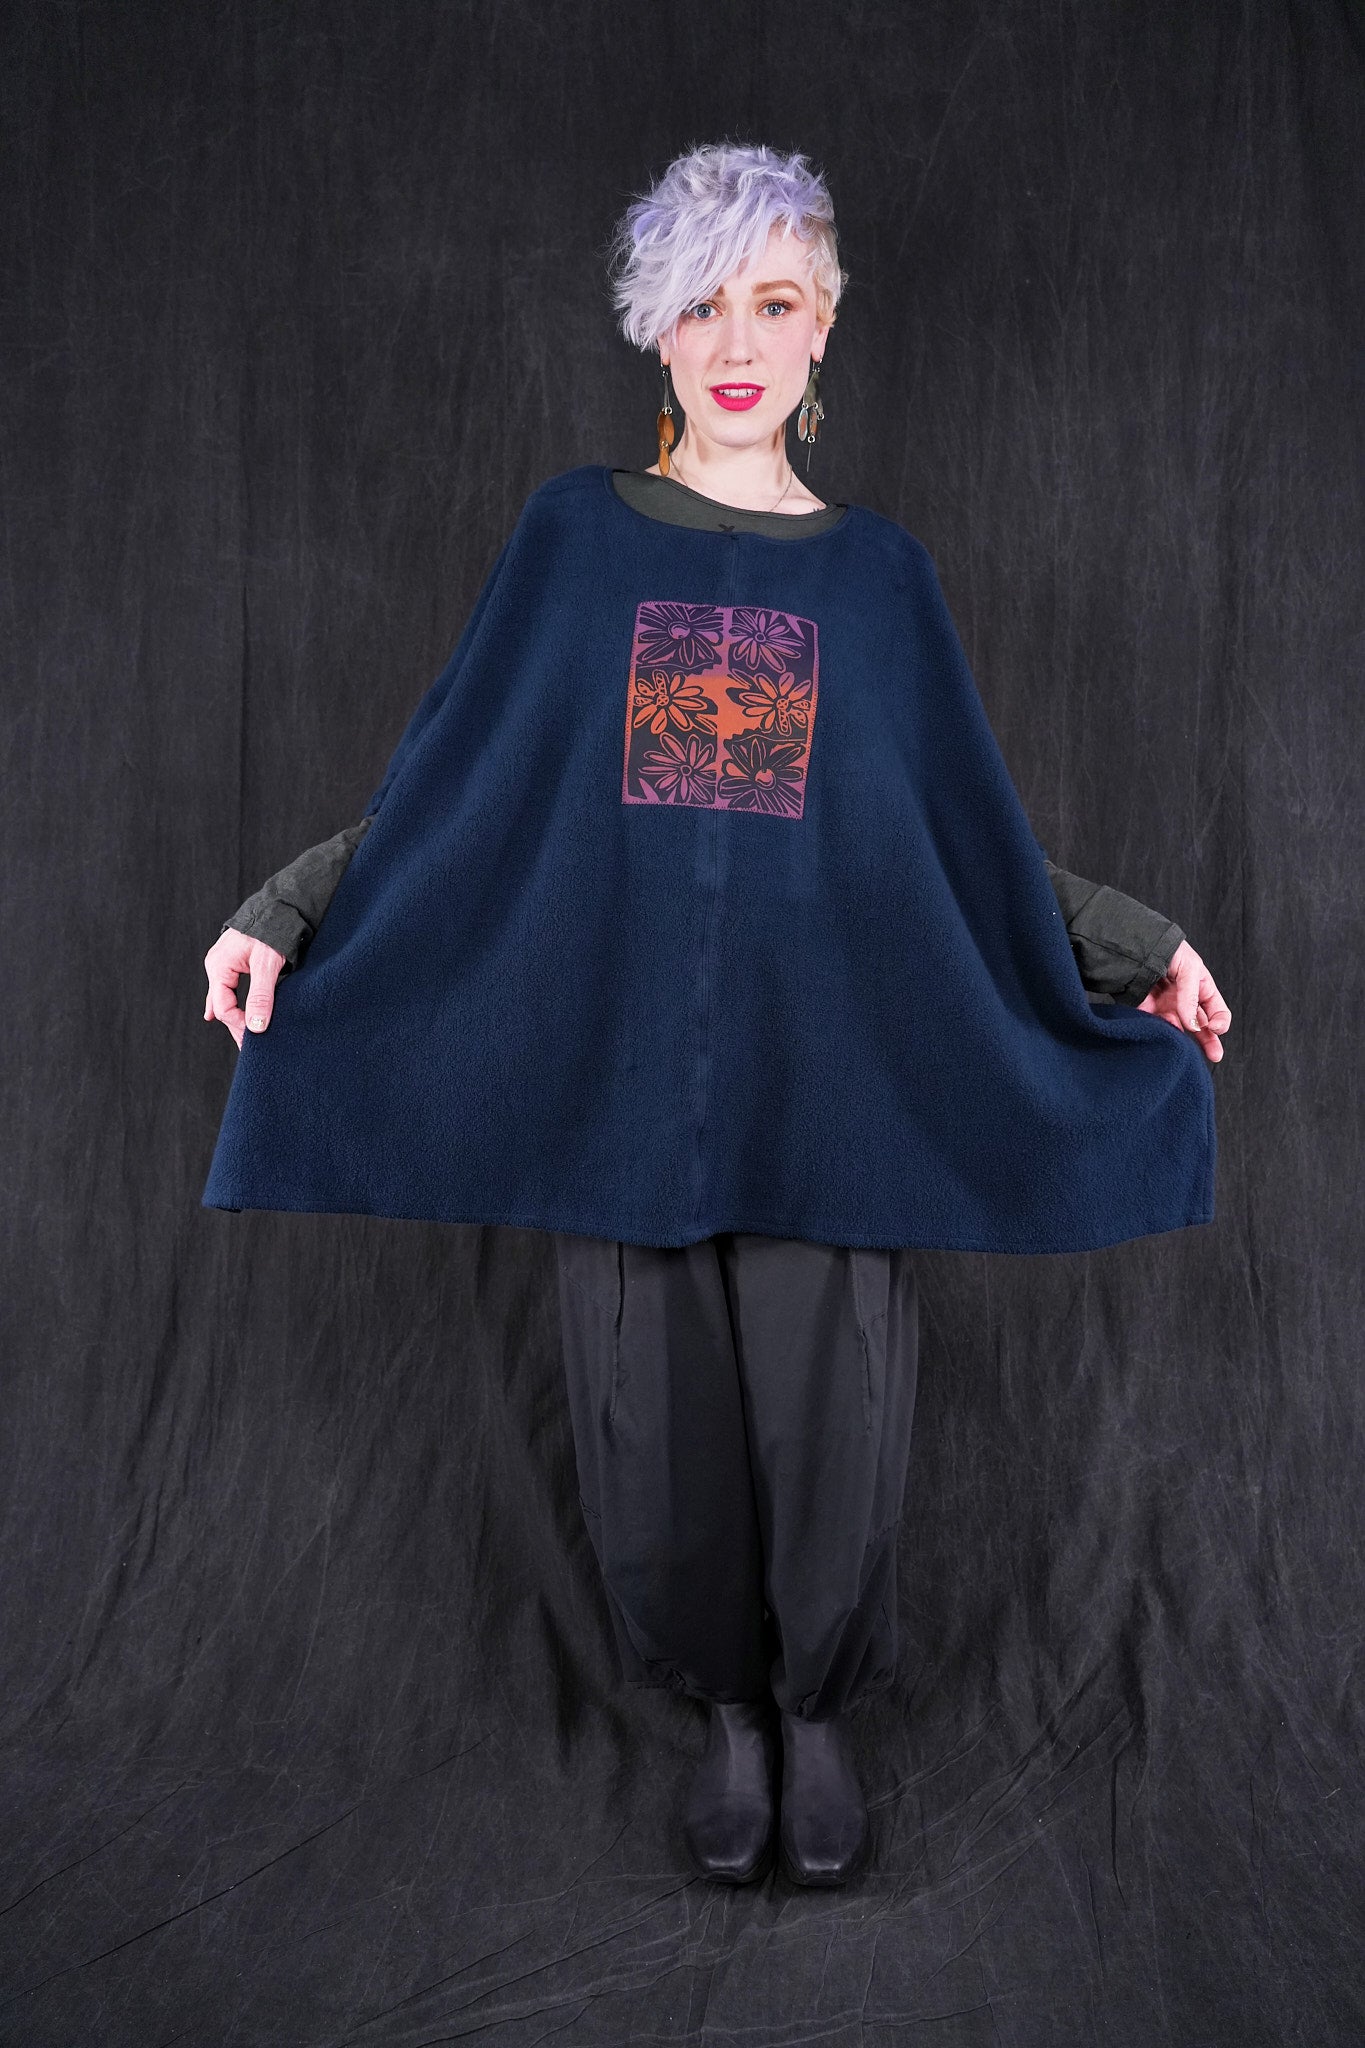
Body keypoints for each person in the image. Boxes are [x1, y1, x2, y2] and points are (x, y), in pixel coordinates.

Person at [202, 143, 1231, 1890]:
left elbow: (954, 844)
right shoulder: (573, 540)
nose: (735, 341)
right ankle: (729, 1721)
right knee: (647, 1425)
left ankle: (814, 1715)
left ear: (824, 327)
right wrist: (281, 909)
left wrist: (1138, 948)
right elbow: (463, 796)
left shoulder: (882, 581)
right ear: (654, 334)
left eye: (772, 302)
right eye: (700, 306)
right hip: (617, 1075)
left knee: (834, 1420)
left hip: (827, 1077)